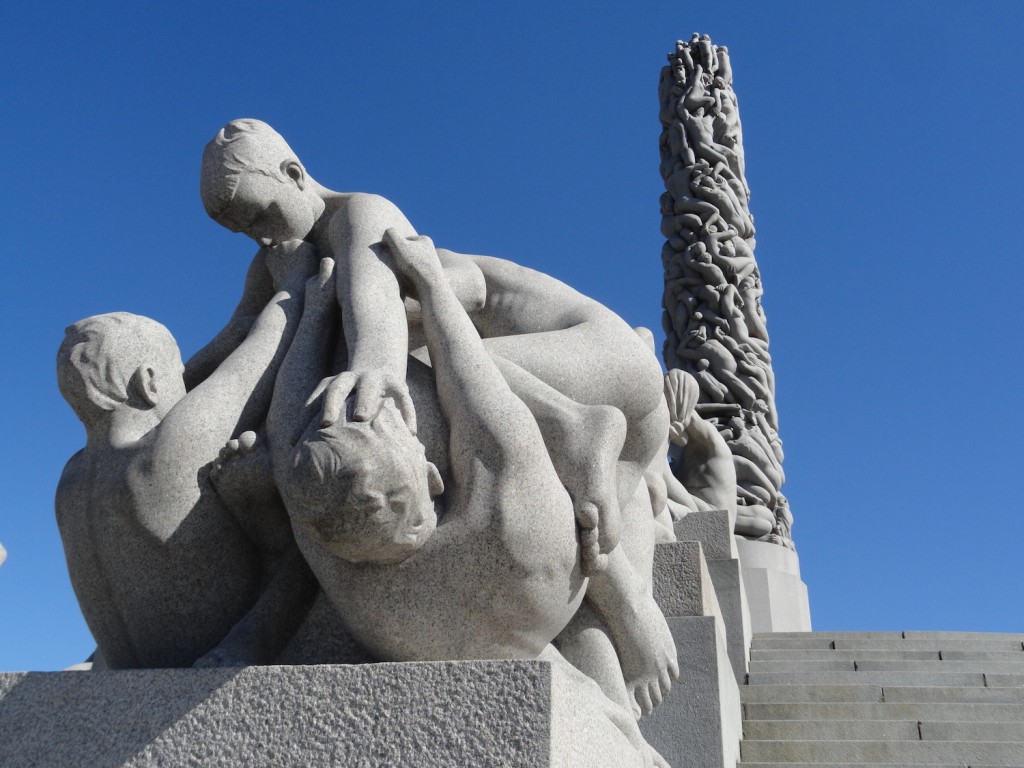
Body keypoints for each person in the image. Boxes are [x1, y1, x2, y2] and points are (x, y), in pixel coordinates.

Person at [245, 229, 678, 721]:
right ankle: (572, 428)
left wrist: (319, 318)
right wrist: (423, 279)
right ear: (434, 476)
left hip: (607, 362)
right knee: (436, 371)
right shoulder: (501, 518)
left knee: (425, 372)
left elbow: (284, 432)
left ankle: (575, 430)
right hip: (607, 395)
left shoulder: (358, 593)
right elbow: (471, 382)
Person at [197, 118, 667, 561]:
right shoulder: (278, 259)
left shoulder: (360, 214)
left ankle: (576, 427)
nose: (259, 238)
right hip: (562, 377)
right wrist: (179, 385)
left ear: (293, 174)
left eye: (260, 215)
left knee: (428, 373)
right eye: (241, 229)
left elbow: (382, 291)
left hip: (598, 350)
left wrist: (375, 362)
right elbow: (241, 333)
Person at [54, 242, 328, 668]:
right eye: (175, 370)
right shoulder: (167, 449)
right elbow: (260, 358)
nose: (188, 382)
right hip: (214, 663)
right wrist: (294, 280)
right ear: (149, 381)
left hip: (131, 668)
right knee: (316, 537)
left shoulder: (70, 482)